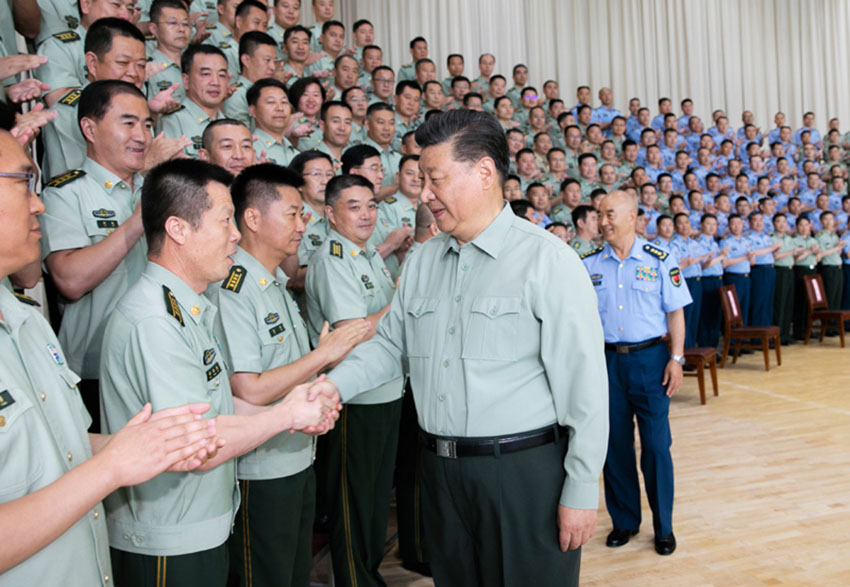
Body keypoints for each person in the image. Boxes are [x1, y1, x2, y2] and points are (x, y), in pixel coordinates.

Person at [306, 110, 608, 586]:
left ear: (484, 172)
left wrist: (582, 486)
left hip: (522, 476)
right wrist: (331, 388)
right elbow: (389, 348)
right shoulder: (425, 261)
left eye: (436, 178)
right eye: (422, 178)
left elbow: (585, 388)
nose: (424, 193)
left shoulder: (547, 261)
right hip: (441, 475)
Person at [0, 127, 225, 586]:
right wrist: (111, 466)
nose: (39, 202)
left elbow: (58, 449)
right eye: (22, 183)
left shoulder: (25, 322)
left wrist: (137, 447)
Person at [100, 158, 340, 587]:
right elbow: (195, 443)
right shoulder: (155, 321)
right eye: (226, 221)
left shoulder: (186, 308)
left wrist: (295, 404)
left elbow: (215, 409)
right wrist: (287, 416)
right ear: (178, 229)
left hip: (201, 523)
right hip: (168, 536)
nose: (235, 235)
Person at [207, 163, 369, 587]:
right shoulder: (235, 288)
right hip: (260, 468)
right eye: (294, 214)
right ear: (253, 219)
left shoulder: (273, 282)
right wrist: (323, 355)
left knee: (294, 573)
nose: (304, 224)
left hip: (295, 456)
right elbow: (249, 388)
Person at [304, 174, 405, 587]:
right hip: (354, 398)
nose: (366, 215)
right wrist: (400, 300)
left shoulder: (365, 255)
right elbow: (350, 333)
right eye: (353, 206)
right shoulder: (333, 259)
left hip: (386, 389)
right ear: (330, 213)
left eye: (371, 205)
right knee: (352, 499)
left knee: (375, 499)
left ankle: (367, 574)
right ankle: (354, 580)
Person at [582, 190, 691, 556]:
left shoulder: (660, 258)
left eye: (610, 213)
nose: (603, 221)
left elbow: (675, 312)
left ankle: (664, 528)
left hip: (652, 360)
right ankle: (625, 522)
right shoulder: (590, 264)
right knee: (615, 447)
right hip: (607, 362)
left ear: (632, 216)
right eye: (599, 215)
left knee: (657, 447)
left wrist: (676, 358)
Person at [40, 80, 152, 431]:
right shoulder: (65, 194)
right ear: (89, 128)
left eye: (148, 125)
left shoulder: (157, 189)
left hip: (156, 356)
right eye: (129, 123)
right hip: (95, 368)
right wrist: (137, 222)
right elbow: (70, 280)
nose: (142, 136)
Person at [157, 44, 228, 157]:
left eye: (222, 75)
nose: (215, 82)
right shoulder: (173, 120)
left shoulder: (230, 123)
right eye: (206, 74)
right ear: (186, 81)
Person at [221, 30, 277, 125]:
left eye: (275, 61)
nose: (273, 67)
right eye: (267, 60)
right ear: (246, 60)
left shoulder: (270, 90)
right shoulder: (236, 95)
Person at [671, 212, 708, 348]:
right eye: (680, 223)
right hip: (686, 282)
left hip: (698, 281)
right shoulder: (674, 244)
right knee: (685, 318)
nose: (684, 226)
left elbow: (702, 263)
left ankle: (692, 349)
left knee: (694, 318)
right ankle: (684, 351)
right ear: (675, 226)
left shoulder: (694, 243)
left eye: (686, 222)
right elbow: (677, 265)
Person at [248, 78, 300, 165]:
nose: (280, 108)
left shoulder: (296, 155)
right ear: (253, 111)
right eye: (271, 102)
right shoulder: (249, 150)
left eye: (284, 102)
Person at [747, 212, 781, 327]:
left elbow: (770, 253)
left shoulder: (766, 237)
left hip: (770, 269)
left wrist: (774, 250)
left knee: (768, 302)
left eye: (761, 220)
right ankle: (757, 335)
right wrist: (770, 249)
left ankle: (766, 332)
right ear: (750, 223)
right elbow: (753, 253)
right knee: (759, 302)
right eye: (755, 220)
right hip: (759, 270)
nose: (759, 223)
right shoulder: (748, 237)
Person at [720, 214, 754, 324]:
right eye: (733, 224)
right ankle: (733, 338)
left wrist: (750, 257)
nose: (736, 226)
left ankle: (743, 336)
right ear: (729, 226)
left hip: (746, 277)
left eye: (739, 223)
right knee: (733, 308)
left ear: (743, 225)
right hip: (733, 277)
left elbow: (752, 262)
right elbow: (725, 263)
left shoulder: (746, 241)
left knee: (744, 306)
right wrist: (744, 257)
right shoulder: (726, 242)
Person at [772, 213, 799, 345]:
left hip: (790, 270)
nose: (782, 224)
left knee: (789, 303)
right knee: (780, 304)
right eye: (778, 222)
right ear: (774, 224)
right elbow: (775, 257)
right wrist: (791, 252)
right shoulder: (772, 239)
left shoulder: (790, 238)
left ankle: (785, 335)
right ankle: (777, 336)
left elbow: (794, 256)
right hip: (779, 271)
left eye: (784, 222)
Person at [791, 215, 820, 340]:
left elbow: (818, 258)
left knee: (810, 302)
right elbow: (795, 260)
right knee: (800, 301)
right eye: (801, 225)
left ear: (810, 226)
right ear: (797, 227)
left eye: (806, 225)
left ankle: (808, 329)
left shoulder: (813, 240)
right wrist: (808, 251)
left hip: (812, 269)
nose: (804, 228)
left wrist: (817, 253)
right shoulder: (794, 241)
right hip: (800, 270)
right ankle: (798, 331)